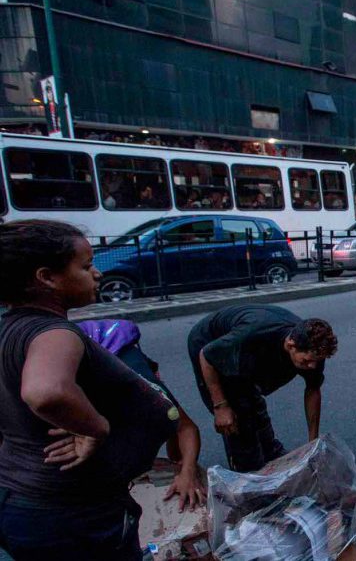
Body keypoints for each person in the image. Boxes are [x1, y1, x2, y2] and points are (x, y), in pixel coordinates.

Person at [0, 220, 179, 559]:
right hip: (72, 517)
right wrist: (96, 428)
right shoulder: (53, 334)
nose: (96, 274)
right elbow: (45, 391)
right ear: (47, 278)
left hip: (33, 506)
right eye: (85, 266)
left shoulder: (11, 329)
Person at [187, 305, 338, 472]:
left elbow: (312, 390)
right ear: (290, 345)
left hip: (248, 353)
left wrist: (312, 443)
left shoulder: (315, 351)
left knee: (252, 402)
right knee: (238, 416)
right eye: (306, 361)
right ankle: (247, 471)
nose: (312, 366)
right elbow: (207, 356)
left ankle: (270, 453)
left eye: (316, 361)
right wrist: (220, 406)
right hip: (209, 343)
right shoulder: (252, 335)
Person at [78, 320, 205, 511]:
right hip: (84, 356)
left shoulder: (148, 390)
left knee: (168, 415)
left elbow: (186, 427)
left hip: (116, 347)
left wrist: (188, 471)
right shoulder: (80, 396)